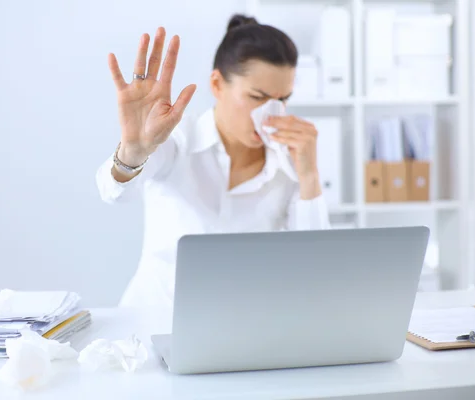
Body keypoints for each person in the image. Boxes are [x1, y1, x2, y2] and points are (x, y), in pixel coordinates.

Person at [96, 14, 330, 308]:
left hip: (240, 327)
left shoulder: (288, 164)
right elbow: (113, 192)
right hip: (155, 318)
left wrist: (309, 176)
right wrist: (133, 150)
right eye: (258, 97)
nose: (271, 113)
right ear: (217, 85)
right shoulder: (178, 140)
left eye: (282, 100)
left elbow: (314, 267)